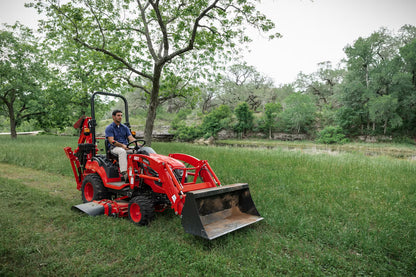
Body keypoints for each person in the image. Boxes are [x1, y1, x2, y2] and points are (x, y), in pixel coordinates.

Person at [105, 109, 136, 182]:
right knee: (122, 152)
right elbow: (111, 141)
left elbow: (131, 138)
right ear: (113, 117)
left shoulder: (125, 127)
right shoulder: (109, 128)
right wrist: (122, 146)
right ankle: (124, 173)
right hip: (114, 148)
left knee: (139, 151)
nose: (120, 117)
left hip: (125, 146)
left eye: (121, 115)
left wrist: (138, 144)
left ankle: (140, 171)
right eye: (118, 115)